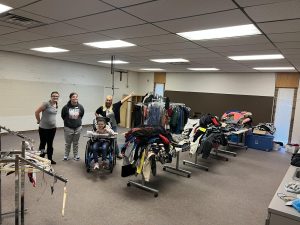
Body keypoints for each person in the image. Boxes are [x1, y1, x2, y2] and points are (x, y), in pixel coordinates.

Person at [95, 92, 133, 159]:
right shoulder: (102, 108)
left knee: (114, 140)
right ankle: (102, 151)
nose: (108, 101)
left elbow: (123, 100)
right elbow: (96, 112)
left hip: (113, 126)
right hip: (105, 126)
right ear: (105, 100)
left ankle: (117, 153)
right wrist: (98, 119)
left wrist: (130, 95)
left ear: (111, 101)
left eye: (110, 100)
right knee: (103, 138)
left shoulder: (115, 106)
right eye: (107, 100)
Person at [35, 91, 60, 165]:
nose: (55, 97)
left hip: (52, 128)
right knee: (43, 144)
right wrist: (39, 121)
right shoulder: (46, 103)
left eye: (57, 96)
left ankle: (50, 159)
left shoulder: (56, 104)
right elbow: (36, 112)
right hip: (43, 128)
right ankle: (41, 159)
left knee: (50, 144)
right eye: (54, 96)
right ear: (51, 96)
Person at [61, 92, 84, 161]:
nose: (75, 98)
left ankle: (75, 155)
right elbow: (63, 116)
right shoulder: (66, 107)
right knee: (68, 143)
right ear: (70, 98)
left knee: (76, 143)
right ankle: (66, 155)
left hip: (78, 128)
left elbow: (81, 115)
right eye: (73, 97)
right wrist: (68, 122)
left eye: (76, 97)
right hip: (68, 128)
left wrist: (77, 122)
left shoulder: (80, 107)